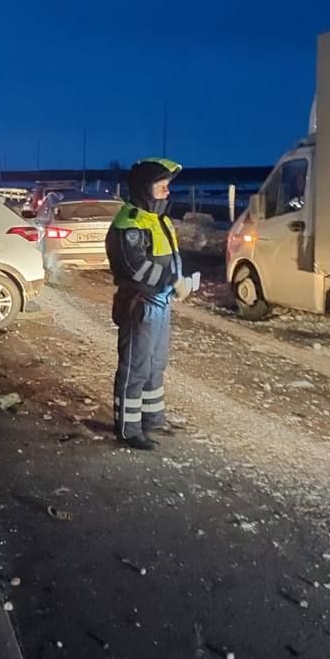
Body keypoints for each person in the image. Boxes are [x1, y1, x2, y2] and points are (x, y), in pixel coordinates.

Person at [105, 157, 197, 450]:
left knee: (157, 364)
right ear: (146, 188)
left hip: (160, 304)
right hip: (139, 305)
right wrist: (174, 281)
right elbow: (136, 267)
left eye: (168, 186)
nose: (167, 192)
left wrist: (180, 282)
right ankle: (128, 430)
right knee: (136, 368)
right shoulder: (128, 222)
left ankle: (152, 420)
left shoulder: (159, 220)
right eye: (162, 186)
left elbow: (169, 259)